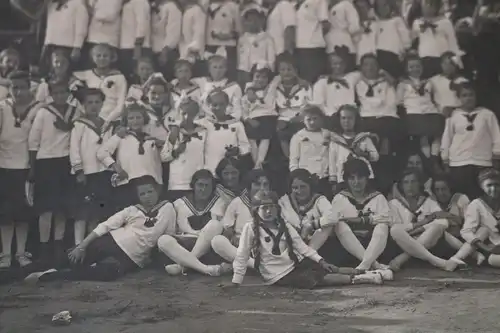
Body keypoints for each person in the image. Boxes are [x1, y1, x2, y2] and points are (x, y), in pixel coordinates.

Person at [24, 176, 176, 283]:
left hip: (131, 257)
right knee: (66, 259)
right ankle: (12, 275)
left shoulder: (168, 208)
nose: (147, 197)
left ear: (157, 190)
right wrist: (82, 246)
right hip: (109, 242)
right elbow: (105, 225)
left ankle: (46, 277)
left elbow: (168, 237)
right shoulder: (132, 210)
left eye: (150, 192)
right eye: (142, 194)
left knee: (106, 273)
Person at [230, 190, 384, 289]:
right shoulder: (250, 228)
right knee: (321, 279)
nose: (269, 211)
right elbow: (242, 255)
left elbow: (302, 248)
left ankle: (369, 271)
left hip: (295, 264)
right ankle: (364, 279)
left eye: (272, 207)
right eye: (264, 208)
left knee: (328, 268)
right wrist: (236, 281)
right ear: (255, 211)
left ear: (278, 208)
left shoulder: (285, 226)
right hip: (278, 275)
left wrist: (321, 260)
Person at [302, 158, 393, 276]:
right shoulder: (340, 198)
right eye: (352, 178)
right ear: (346, 180)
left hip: (373, 245)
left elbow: (388, 219)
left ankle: (364, 266)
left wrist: (361, 220)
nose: (356, 182)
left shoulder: (378, 197)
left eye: (360, 177)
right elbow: (332, 220)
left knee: (382, 226)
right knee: (339, 224)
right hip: (347, 247)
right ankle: (373, 264)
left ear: (367, 178)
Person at [28, 81, 82, 265]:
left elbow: (77, 131)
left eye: (63, 91)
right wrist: (33, 167)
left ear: (68, 92)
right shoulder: (43, 112)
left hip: (65, 162)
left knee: (62, 207)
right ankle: (44, 247)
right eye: (56, 92)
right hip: (46, 162)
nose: (60, 95)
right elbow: (33, 141)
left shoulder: (75, 111)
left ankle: (58, 245)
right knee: (46, 208)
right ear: (50, 94)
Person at [0, 71, 41, 269]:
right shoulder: (2, 107)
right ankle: (6, 254)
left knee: (23, 214)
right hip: (4, 168)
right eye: (14, 87)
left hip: (26, 168)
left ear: (29, 87)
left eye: (22, 87)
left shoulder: (37, 109)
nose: (18, 91)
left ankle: (21, 252)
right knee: (6, 214)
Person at [388, 168, 465, 271]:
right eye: (406, 182)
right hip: (402, 242)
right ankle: (440, 262)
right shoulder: (394, 204)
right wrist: (423, 222)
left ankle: (403, 258)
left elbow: (442, 221)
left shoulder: (428, 201)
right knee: (394, 229)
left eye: (413, 181)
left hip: (427, 239)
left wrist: (422, 228)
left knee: (440, 223)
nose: (410, 186)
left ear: (419, 183)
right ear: (401, 186)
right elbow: (398, 229)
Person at [157, 169, 228, 276]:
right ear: (193, 185)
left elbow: (222, 229)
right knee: (163, 240)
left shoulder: (220, 203)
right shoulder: (179, 204)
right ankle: (205, 269)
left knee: (215, 225)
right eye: (200, 185)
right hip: (184, 245)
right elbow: (172, 231)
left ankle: (184, 265)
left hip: (208, 246)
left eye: (207, 186)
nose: (203, 189)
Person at [97, 102, 163, 210]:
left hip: (148, 183)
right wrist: (116, 167)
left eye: (138, 117)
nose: (135, 121)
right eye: (131, 118)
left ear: (144, 119)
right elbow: (102, 152)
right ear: (126, 120)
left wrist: (159, 182)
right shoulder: (121, 137)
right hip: (128, 183)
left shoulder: (150, 140)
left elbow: (156, 164)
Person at [441, 82, 500, 199]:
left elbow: (496, 136)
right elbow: (447, 137)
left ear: (476, 96)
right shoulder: (453, 116)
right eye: (464, 95)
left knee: (482, 197)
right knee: (462, 197)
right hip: (459, 162)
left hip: (483, 162)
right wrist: (445, 158)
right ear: (459, 98)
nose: (468, 98)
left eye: (471, 95)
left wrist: (496, 156)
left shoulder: (487, 114)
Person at [70, 88, 114, 246]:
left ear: (102, 104)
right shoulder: (79, 125)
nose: (94, 106)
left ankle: (90, 246)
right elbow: (74, 149)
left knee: (96, 212)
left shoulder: (106, 125)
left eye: (97, 102)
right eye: (89, 102)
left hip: (101, 173)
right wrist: (78, 170)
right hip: (85, 174)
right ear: (83, 105)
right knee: (82, 212)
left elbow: (108, 148)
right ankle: (78, 245)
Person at [211, 169, 271, 271]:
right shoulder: (237, 202)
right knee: (217, 241)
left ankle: (252, 266)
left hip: (265, 248)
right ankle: (258, 267)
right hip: (241, 249)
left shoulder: (273, 204)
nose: (262, 189)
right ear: (249, 187)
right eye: (257, 184)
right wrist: (232, 236)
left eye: (265, 185)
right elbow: (227, 231)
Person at [397, 53, 443, 161]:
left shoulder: (429, 82)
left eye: (418, 66)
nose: (415, 69)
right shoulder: (403, 84)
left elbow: (435, 97)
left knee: (439, 133)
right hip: (414, 112)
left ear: (422, 67)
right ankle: (428, 160)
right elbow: (398, 101)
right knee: (423, 137)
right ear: (406, 69)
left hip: (430, 111)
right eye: (411, 67)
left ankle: (434, 156)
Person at [431, 174, 485, 266]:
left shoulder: (460, 198)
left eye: (443, 189)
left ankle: (465, 256)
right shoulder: (432, 201)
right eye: (437, 190)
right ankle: (474, 255)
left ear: (450, 188)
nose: (440, 193)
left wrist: (448, 215)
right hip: (442, 241)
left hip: (462, 238)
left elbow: (469, 223)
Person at [161, 99, 207, 201]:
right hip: (178, 183)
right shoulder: (174, 132)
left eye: (191, 114)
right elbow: (163, 156)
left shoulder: (203, 132)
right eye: (184, 113)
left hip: (197, 181)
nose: (187, 117)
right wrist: (176, 152)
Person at [453, 169, 500, 268]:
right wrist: (487, 248)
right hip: (492, 249)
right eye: (489, 185)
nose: (494, 188)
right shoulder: (476, 204)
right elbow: (466, 231)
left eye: (497, 185)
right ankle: (457, 259)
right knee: (483, 230)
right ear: (482, 186)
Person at [74, 43, 127, 130]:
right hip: (91, 119)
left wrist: (108, 121)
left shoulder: (119, 77)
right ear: (93, 58)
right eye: (98, 56)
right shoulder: (87, 74)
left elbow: (120, 105)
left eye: (105, 56)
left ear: (111, 58)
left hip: (113, 120)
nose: (102, 58)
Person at [198, 89, 250, 174]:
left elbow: (246, 147)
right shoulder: (202, 124)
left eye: (222, 104)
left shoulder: (237, 124)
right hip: (209, 170)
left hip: (229, 171)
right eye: (214, 105)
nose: (218, 108)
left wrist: (237, 150)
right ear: (208, 105)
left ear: (227, 104)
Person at [279, 169, 333, 250]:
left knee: (328, 226)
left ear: (310, 186)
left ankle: (308, 254)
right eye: (295, 188)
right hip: (290, 244)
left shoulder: (319, 199)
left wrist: (312, 225)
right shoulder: (284, 201)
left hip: (315, 244)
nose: (299, 191)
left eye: (303, 187)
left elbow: (333, 216)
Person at [329, 105, 378, 194]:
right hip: (343, 178)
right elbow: (332, 162)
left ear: (356, 120)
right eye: (343, 118)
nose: (346, 121)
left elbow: (375, 156)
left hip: (363, 178)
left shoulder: (364, 138)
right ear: (339, 120)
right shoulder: (335, 140)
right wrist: (333, 181)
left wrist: (364, 154)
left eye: (350, 118)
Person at [271, 53, 312, 158]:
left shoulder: (304, 86)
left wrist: (302, 116)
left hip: (300, 118)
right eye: (282, 70)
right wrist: (275, 81)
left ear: (296, 71)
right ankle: (290, 161)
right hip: (283, 119)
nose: (286, 72)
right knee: (282, 134)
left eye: (289, 69)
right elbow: (268, 100)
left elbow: (310, 104)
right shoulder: (276, 87)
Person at [289, 105, 334, 198]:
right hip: (305, 179)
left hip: (324, 177)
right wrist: (297, 177)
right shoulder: (298, 137)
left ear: (321, 119)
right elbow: (294, 159)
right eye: (309, 119)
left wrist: (332, 176)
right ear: (303, 120)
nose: (312, 122)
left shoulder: (328, 134)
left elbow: (333, 156)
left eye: (315, 118)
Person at [411, 0, 461, 78]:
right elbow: (413, 41)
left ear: (436, 7)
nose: (426, 7)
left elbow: (453, 43)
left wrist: (455, 61)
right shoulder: (417, 23)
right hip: (424, 59)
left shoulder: (445, 22)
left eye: (429, 4)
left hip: (441, 60)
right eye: (424, 4)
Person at [240, 63, 277, 169]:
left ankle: (259, 162)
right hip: (253, 119)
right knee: (251, 138)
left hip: (268, 117)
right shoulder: (247, 95)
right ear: (252, 77)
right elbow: (244, 111)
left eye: (264, 77)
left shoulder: (271, 89)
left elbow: (277, 78)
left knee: (266, 138)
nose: (260, 79)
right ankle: (256, 163)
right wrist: (249, 120)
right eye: (257, 76)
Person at [312, 51, 360, 129]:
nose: (338, 66)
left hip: (349, 117)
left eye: (341, 63)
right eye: (335, 63)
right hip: (331, 118)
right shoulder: (322, 82)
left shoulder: (352, 77)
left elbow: (371, 74)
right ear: (330, 65)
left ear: (345, 64)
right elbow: (319, 104)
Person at [42, 0, 88, 72]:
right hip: (50, 45)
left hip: (67, 47)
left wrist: (77, 47)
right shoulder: (51, 4)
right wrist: (46, 44)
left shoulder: (78, 4)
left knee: (64, 73)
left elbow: (81, 28)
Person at [196, 50, 243, 120]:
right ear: (209, 69)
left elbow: (237, 109)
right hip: (206, 119)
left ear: (226, 69)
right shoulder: (202, 81)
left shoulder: (233, 86)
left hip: (226, 120)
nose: (218, 71)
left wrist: (230, 120)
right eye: (214, 67)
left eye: (221, 67)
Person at [237, 5, 276, 86]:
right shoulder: (242, 39)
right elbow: (240, 59)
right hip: (243, 74)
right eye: (249, 20)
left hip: (260, 75)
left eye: (255, 19)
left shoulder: (267, 39)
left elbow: (271, 61)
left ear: (261, 21)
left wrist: (266, 73)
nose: (252, 23)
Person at [373, 0, 411, 79]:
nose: (384, 8)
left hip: (394, 55)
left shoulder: (397, 20)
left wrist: (404, 50)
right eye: (380, 7)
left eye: (385, 5)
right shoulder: (376, 23)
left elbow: (406, 38)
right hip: (379, 56)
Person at [294, 0, 330, 83]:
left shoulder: (319, 1)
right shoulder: (295, 5)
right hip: (299, 49)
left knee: (315, 82)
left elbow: (326, 25)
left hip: (314, 49)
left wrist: (314, 36)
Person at [204, 0, 240, 80]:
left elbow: (240, 31)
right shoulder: (204, 5)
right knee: (209, 77)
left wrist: (228, 36)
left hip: (229, 48)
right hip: (209, 47)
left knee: (229, 77)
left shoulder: (233, 6)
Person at [82, 0, 123, 69]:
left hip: (108, 40)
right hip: (92, 38)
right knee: (91, 67)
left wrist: (92, 12)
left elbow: (110, 15)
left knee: (106, 67)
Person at [118, 0, 151, 80]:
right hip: (126, 46)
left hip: (136, 47)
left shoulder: (140, 2)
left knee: (137, 77)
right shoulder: (128, 3)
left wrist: (138, 44)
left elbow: (142, 22)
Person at [429, 52, 468, 118]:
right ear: (441, 64)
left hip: (459, 114)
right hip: (438, 115)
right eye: (445, 63)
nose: (448, 66)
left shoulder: (463, 81)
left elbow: (467, 102)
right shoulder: (433, 81)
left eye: (451, 63)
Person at [150, 0, 182, 81]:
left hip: (166, 53)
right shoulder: (153, 6)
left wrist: (165, 52)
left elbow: (173, 32)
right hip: (153, 52)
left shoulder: (172, 7)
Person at [325, 0, 360, 71]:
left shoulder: (346, 4)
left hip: (344, 45)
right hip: (329, 46)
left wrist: (345, 34)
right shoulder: (325, 6)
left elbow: (355, 26)